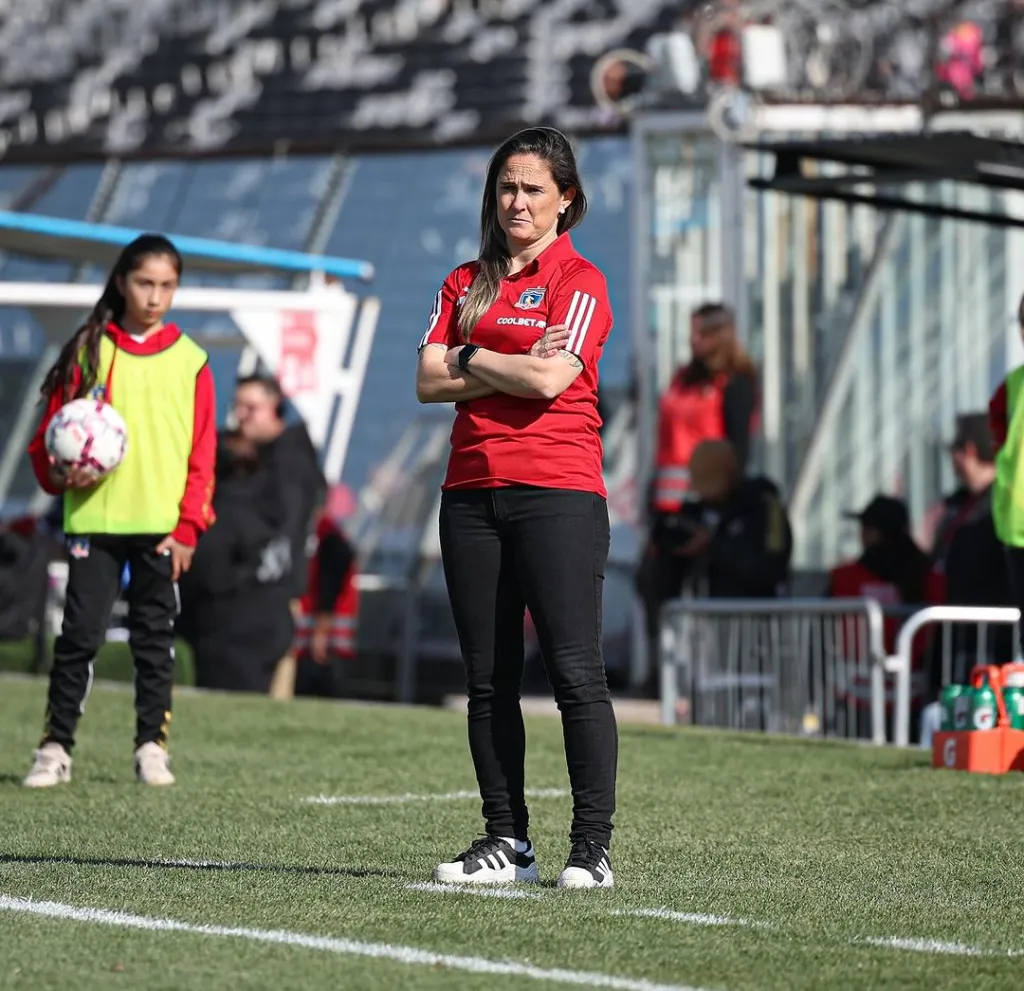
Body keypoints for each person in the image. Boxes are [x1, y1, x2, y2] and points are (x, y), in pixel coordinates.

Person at [415, 126, 617, 890]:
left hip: (559, 492)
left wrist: (468, 356)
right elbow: (427, 380)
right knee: (488, 678)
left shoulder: (581, 281)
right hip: (469, 492)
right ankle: (508, 839)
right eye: (507, 186)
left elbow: (550, 381)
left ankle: (591, 848)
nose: (517, 201)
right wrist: (501, 361)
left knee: (574, 672)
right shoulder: (463, 280)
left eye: (533, 188)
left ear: (567, 199)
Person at [22, 234, 216, 788]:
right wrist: (60, 475)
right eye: (144, 283)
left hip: (161, 528)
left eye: (167, 286)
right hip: (95, 521)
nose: (155, 297)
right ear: (122, 282)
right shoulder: (89, 350)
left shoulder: (192, 361)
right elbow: (47, 440)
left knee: (154, 643)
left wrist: (188, 527)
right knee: (78, 638)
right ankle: (55, 749)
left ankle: (152, 747)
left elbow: (203, 454)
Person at [827, 495, 943, 738]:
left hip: (857, 697)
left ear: (873, 533)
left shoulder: (845, 578)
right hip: (915, 695)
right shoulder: (930, 578)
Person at [293, 483, 360, 699]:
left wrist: (320, 632)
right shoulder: (323, 537)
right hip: (321, 642)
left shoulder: (328, 539)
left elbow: (328, 590)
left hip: (324, 645)